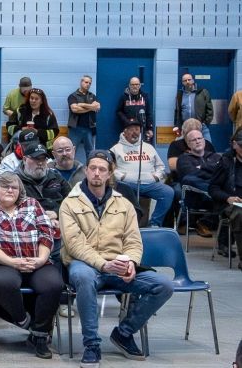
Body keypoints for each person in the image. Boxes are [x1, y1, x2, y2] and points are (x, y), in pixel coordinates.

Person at [61, 150, 175, 368]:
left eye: (101, 169)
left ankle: (124, 333)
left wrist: (131, 262)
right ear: (86, 171)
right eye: (92, 168)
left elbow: (133, 240)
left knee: (163, 285)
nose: (96, 173)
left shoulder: (123, 204)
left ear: (109, 173)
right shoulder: (70, 203)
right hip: (84, 264)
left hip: (118, 263)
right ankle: (92, 344)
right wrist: (104, 264)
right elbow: (75, 244)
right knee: (83, 278)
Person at [0, 172, 62, 359]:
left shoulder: (32, 205)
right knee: (7, 282)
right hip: (1, 263)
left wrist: (40, 259)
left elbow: (47, 233)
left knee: (53, 284)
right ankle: (22, 320)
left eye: (14, 187)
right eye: (5, 186)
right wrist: (11, 261)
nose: (10, 190)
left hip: (36, 261)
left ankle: (39, 336)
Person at [109, 119, 175, 227]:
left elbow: (161, 166)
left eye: (137, 129)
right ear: (124, 132)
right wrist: (122, 177)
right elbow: (110, 168)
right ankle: (127, 226)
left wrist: (156, 177)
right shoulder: (115, 149)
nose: (134, 132)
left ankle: (154, 224)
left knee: (168, 192)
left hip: (150, 184)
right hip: (128, 185)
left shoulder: (149, 148)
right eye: (131, 129)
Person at [176, 129, 221, 238]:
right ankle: (203, 221)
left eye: (199, 138)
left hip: (215, 197)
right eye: (193, 140)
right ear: (188, 144)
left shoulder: (216, 157)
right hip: (195, 198)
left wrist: (203, 168)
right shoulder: (183, 159)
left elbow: (224, 174)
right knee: (189, 179)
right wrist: (213, 173)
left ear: (204, 140)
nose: (197, 141)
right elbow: (191, 175)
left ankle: (203, 221)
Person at [209, 130, 242, 263]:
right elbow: (213, 188)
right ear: (234, 144)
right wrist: (228, 198)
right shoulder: (226, 162)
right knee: (240, 214)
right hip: (231, 203)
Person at [14, 142, 71, 220]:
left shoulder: (56, 177)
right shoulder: (14, 181)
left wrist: (57, 213)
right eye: (35, 158)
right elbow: (9, 208)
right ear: (24, 160)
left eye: (43, 159)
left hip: (60, 222)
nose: (40, 163)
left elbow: (72, 202)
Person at [68, 75, 100, 162]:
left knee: (90, 153)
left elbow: (97, 107)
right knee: (71, 152)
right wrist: (91, 107)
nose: (88, 84)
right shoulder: (73, 96)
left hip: (89, 128)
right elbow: (75, 109)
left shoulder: (92, 96)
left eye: (90, 83)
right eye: (86, 82)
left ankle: (90, 171)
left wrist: (82, 104)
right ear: (81, 82)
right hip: (75, 128)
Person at [175, 73, 214, 143]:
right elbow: (177, 111)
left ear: (193, 80)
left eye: (189, 80)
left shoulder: (203, 92)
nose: (187, 82)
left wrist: (205, 123)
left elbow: (210, 110)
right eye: (185, 80)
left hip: (201, 127)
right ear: (182, 83)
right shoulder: (180, 94)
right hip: (186, 127)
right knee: (184, 147)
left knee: (208, 145)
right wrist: (177, 125)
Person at [115, 77, 154, 141]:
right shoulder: (124, 97)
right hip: (128, 129)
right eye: (132, 84)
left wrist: (150, 128)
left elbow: (148, 113)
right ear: (129, 85)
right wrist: (126, 121)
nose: (135, 86)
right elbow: (118, 111)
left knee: (142, 149)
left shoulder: (145, 96)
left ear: (140, 85)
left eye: (136, 84)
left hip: (142, 130)